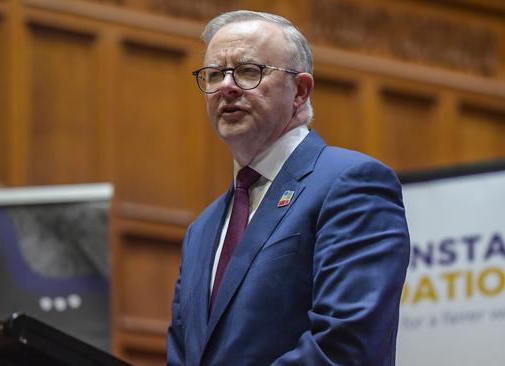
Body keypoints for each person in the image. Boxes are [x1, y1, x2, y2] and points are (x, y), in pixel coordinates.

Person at [167, 10, 410, 366]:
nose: (226, 87)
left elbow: (347, 347)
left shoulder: (351, 183)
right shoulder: (201, 230)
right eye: (215, 74)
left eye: (249, 71)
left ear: (300, 90)